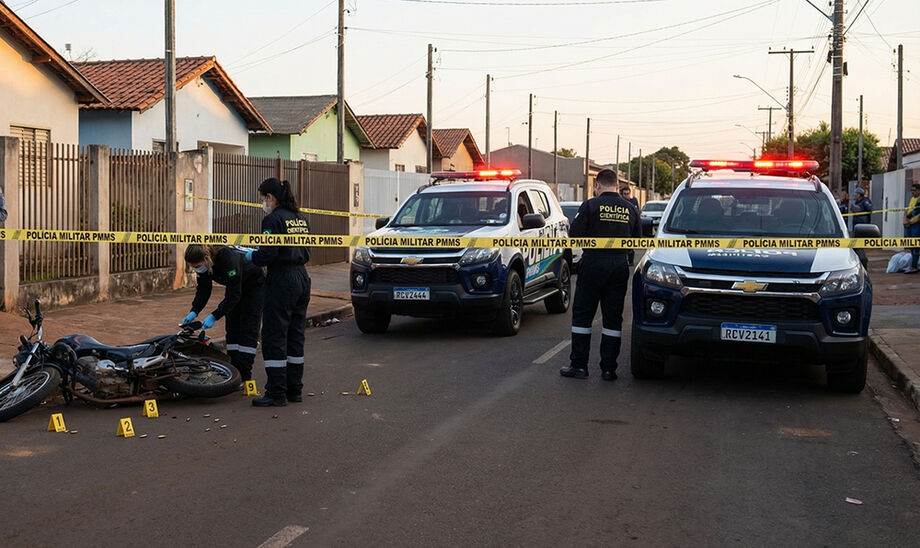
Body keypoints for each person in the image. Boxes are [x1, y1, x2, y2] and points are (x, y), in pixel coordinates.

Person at [561, 169, 641, 381]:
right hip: (619, 266)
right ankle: (608, 369)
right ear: (616, 185)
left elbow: (574, 235)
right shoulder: (630, 208)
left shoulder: (590, 205)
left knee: (582, 315)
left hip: (593, 263)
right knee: (613, 318)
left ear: (597, 185)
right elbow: (638, 240)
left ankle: (579, 365)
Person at [245, 178, 311, 406]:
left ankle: (276, 393)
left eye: (262, 198)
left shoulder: (271, 220)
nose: (262, 202)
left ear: (270, 197)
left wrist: (251, 256)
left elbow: (267, 255)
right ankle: (294, 390)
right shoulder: (301, 219)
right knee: (295, 334)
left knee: (274, 334)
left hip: (282, 278)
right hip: (302, 277)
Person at [182, 245, 265, 383]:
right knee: (232, 329)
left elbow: (234, 295)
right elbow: (203, 290)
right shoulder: (205, 266)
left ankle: (244, 376)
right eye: (193, 267)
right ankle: (233, 372)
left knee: (248, 330)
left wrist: (214, 315)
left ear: (206, 258)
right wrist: (194, 311)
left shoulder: (227, 259)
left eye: (197, 266)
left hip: (254, 286)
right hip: (235, 287)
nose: (196, 269)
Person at [619, 185, 639, 266]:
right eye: (625, 194)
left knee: (630, 245)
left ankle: (630, 261)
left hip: (631, 225)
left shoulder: (633, 201)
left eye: (628, 193)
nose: (627, 195)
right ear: (621, 194)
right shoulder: (620, 202)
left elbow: (637, 212)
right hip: (622, 225)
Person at [903, 183, 920, 274]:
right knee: (911, 245)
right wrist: (905, 219)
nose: (912, 192)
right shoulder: (912, 199)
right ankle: (914, 264)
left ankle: (914, 265)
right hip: (910, 225)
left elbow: (917, 214)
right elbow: (908, 210)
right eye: (911, 190)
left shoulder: (919, 200)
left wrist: (910, 221)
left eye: (914, 190)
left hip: (916, 225)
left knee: (915, 245)